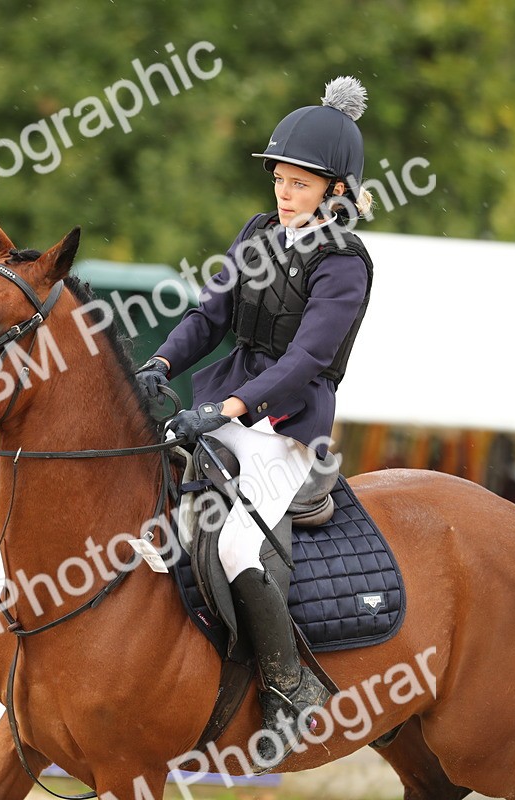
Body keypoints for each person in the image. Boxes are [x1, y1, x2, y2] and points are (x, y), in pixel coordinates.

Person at [135, 76, 375, 766]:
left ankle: (288, 688)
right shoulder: (259, 235)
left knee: (238, 546)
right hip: (228, 400)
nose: (283, 193)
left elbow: (307, 360)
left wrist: (231, 407)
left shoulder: (343, 263)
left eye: (300, 184)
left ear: (335, 192)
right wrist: (160, 362)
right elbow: (210, 314)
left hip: (288, 425)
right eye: (280, 179)